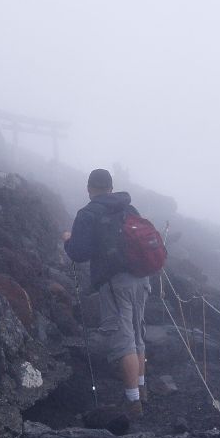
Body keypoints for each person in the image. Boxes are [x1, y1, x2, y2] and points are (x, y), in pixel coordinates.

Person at [63, 168, 151, 418]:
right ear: (111, 188)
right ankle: (142, 389)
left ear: (89, 189)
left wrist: (67, 240)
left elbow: (79, 253)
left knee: (124, 339)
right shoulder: (128, 208)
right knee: (137, 333)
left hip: (116, 283)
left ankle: (133, 402)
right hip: (141, 277)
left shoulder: (88, 213)